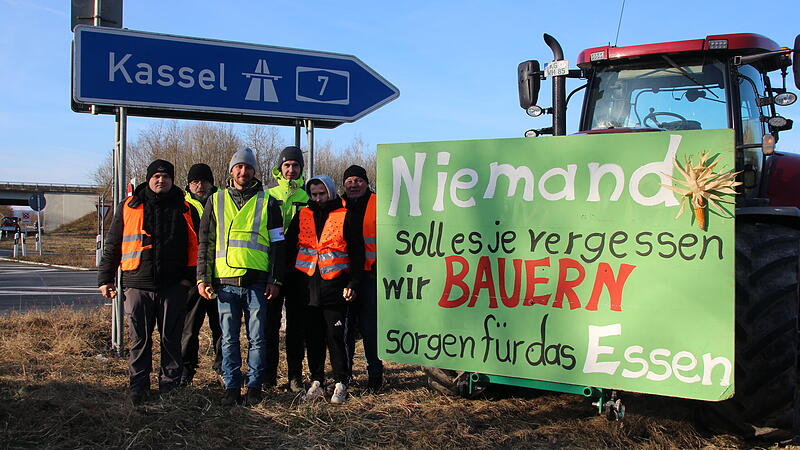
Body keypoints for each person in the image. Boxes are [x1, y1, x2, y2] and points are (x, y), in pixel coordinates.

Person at [97, 159, 199, 406]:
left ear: (173, 180)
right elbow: (113, 245)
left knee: (171, 339)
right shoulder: (129, 207)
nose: (160, 180)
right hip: (138, 285)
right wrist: (105, 278)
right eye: (156, 176)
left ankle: (169, 386)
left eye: (165, 176)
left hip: (173, 287)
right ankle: (139, 386)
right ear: (149, 178)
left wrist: (188, 280)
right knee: (139, 340)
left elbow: (195, 248)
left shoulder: (185, 209)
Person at [196, 147, 285, 407]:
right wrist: (203, 278)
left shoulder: (268, 201)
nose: (243, 171)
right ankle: (232, 386)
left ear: (254, 171)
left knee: (258, 338)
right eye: (239, 167)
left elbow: (278, 243)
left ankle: (255, 387)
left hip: (257, 282)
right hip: (225, 283)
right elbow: (206, 243)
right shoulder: (216, 200)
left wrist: (275, 279)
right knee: (228, 338)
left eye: (248, 167)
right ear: (231, 170)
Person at [285, 174, 363, 404]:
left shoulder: (345, 215)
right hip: (307, 288)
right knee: (314, 337)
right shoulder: (302, 215)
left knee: (335, 336)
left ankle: (341, 381)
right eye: (314, 194)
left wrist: (353, 283)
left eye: (322, 194)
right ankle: (317, 380)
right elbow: (290, 249)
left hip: (336, 287)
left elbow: (357, 253)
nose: (318, 198)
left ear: (330, 192)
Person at [265, 146, 309, 392]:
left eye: (295, 166)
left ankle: (295, 376)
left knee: (296, 325)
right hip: (271, 266)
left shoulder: (307, 196)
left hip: (299, 269)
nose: (291, 170)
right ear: (279, 168)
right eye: (287, 165)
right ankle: (269, 375)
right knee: (269, 325)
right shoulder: (267, 195)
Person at [341, 165, 384, 391]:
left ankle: (375, 374)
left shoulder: (380, 203)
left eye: (358, 180)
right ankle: (345, 375)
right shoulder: (339, 205)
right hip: (344, 277)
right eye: (349, 181)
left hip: (371, 275)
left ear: (366, 183)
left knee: (369, 328)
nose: (353, 184)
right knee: (346, 328)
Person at [180, 163, 223, 386]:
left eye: (204, 181)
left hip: (220, 275)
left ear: (211, 183)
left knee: (222, 327)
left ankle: (223, 368)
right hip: (191, 277)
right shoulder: (182, 206)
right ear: (188, 184)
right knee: (189, 328)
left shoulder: (221, 202)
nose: (200, 185)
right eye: (195, 181)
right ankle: (186, 369)